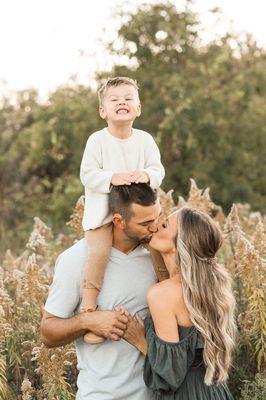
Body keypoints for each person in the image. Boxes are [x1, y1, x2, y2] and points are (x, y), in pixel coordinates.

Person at [40, 183, 161, 400]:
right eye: (145, 223)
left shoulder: (158, 256)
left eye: (157, 218)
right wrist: (88, 321)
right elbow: (47, 333)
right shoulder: (76, 259)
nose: (155, 228)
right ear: (119, 221)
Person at [80, 76, 165, 343]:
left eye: (128, 98)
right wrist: (112, 177)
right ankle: (90, 312)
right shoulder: (97, 141)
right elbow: (87, 175)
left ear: (138, 108)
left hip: (140, 215)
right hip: (105, 217)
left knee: (162, 248)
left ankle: (168, 297)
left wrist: (146, 174)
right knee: (98, 254)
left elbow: (158, 170)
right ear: (103, 111)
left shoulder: (144, 140)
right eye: (115, 100)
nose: (122, 103)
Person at [123, 206, 236, 399]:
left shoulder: (162, 293)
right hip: (215, 391)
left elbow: (171, 375)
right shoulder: (210, 286)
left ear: (178, 243)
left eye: (165, 225)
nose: (156, 226)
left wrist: (139, 340)